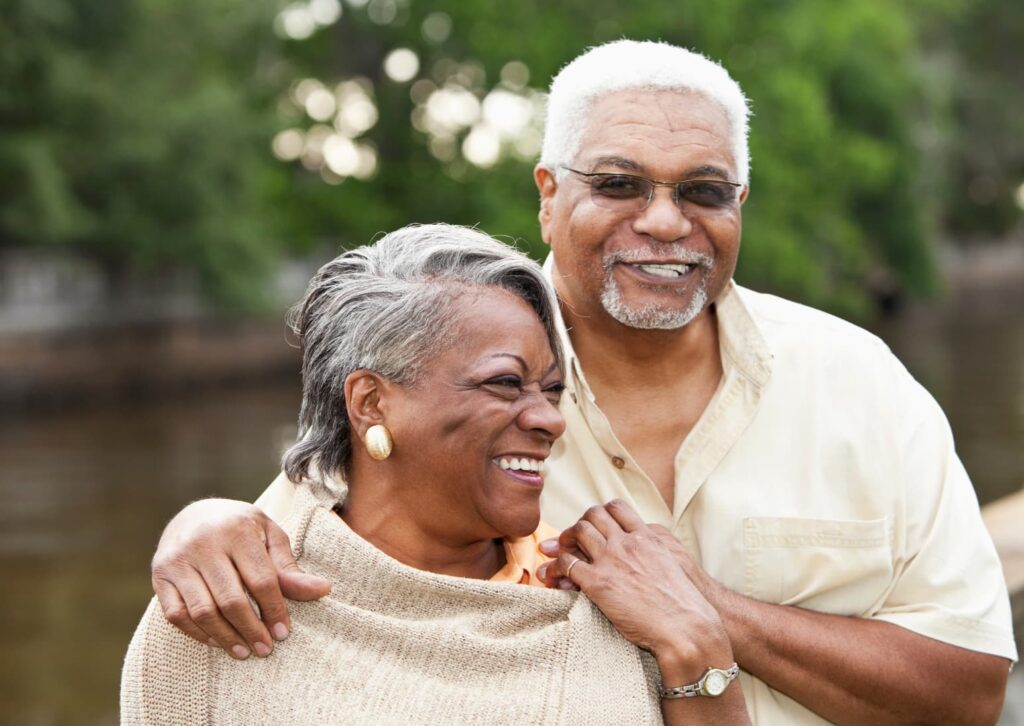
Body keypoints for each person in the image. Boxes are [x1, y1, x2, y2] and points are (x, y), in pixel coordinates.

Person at [147, 41, 1017, 724]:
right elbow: (289, 527)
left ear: (740, 202)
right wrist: (205, 522)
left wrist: (708, 613)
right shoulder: (450, 381)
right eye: (619, 183)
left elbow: (969, 694)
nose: (666, 220)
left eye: (704, 190)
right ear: (547, 195)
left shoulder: (859, 380)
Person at [122, 223, 752, 725]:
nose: (550, 421)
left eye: (552, 390)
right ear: (371, 402)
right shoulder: (224, 605)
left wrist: (697, 644)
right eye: (505, 383)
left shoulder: (614, 597)